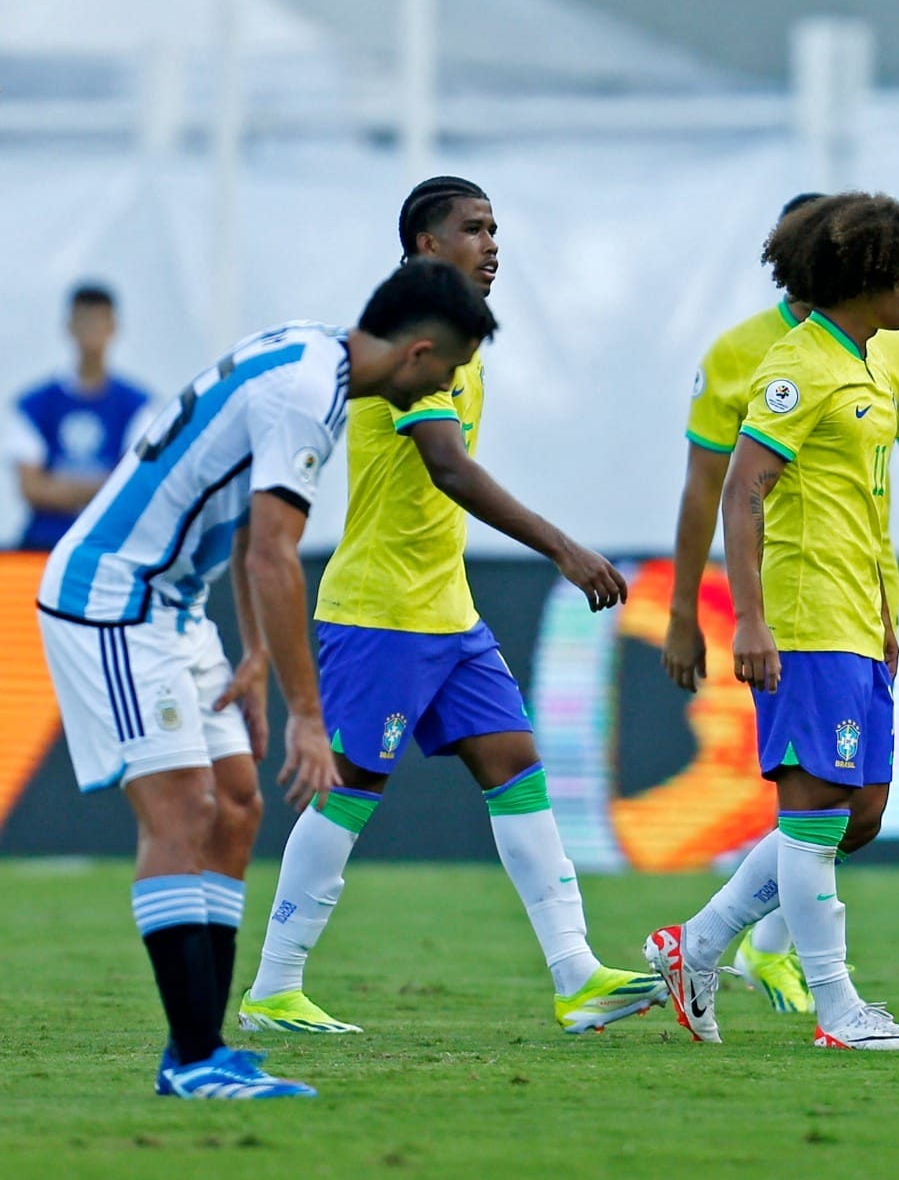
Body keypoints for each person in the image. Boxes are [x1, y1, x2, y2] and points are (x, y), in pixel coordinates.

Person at [35, 258, 496, 1099]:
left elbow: (250, 516)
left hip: (173, 605)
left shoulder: (308, 357)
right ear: (422, 352)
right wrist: (306, 717)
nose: (449, 386)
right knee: (183, 811)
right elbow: (275, 552)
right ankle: (194, 1058)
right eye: (453, 369)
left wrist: (252, 653)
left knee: (238, 802)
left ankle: (204, 1048)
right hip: (112, 600)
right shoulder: (309, 394)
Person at [240, 178, 654, 1038]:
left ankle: (576, 974)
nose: (493, 242)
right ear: (427, 245)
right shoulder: (405, 339)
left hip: (449, 611)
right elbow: (449, 467)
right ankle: (275, 985)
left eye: (497, 226)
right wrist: (564, 548)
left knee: (514, 761)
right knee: (353, 786)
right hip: (379, 611)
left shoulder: (460, 336)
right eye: (474, 228)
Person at [663, 190, 899, 1015]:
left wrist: (889, 613)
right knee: (817, 815)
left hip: (861, 612)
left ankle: (698, 945)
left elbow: (874, 491)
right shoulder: (793, 364)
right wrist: (745, 616)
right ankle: (837, 1006)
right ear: (867, 276)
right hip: (806, 611)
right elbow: (740, 488)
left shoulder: (870, 364)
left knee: (860, 816)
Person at [7, 282, 151, 549]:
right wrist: (104, 487)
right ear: (70, 326)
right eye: (85, 321)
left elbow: (135, 487)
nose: (92, 332)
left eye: (99, 321)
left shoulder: (138, 406)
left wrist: (57, 487)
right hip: (43, 545)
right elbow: (30, 487)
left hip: (108, 548)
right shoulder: (33, 405)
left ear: (113, 327)